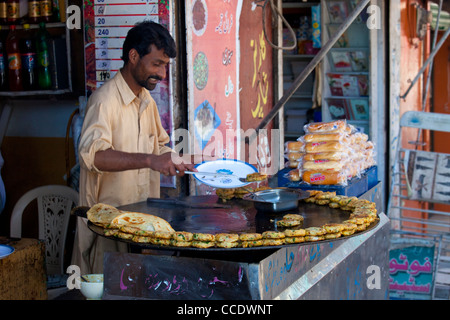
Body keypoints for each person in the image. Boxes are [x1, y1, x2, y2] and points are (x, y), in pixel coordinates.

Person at [72, 21, 196, 274]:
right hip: (109, 227)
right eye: (156, 64)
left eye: (165, 66)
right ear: (133, 56)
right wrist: (150, 161)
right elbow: (93, 156)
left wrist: (176, 159)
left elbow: (159, 146)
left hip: (140, 224)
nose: (162, 75)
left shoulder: (146, 100)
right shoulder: (104, 101)